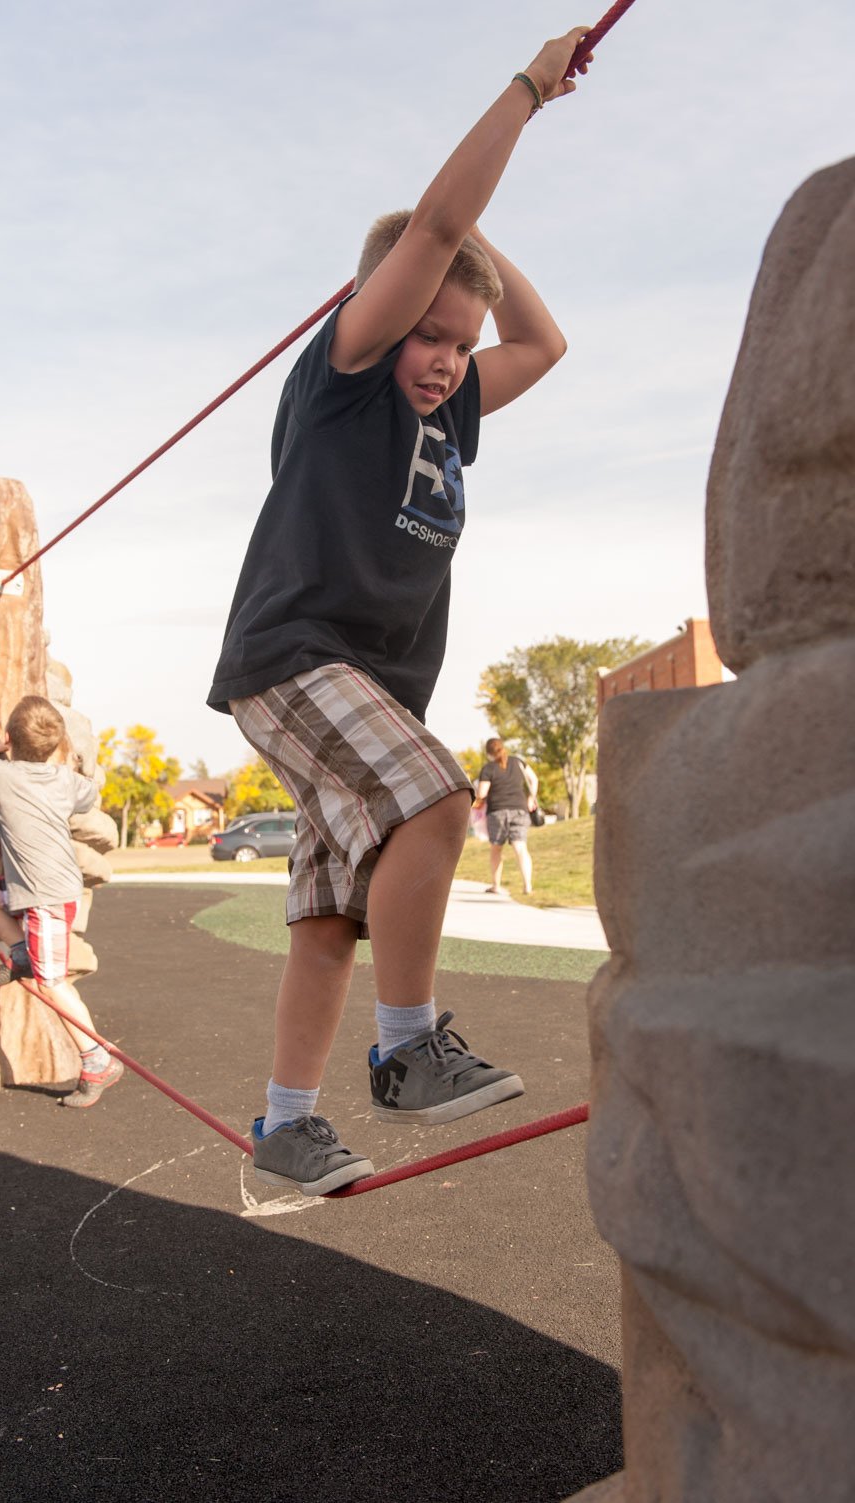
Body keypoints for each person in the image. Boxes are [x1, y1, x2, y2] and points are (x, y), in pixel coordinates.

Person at [207, 27, 593, 1195]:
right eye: (428, 332)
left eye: (454, 343)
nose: (441, 359)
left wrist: (481, 257)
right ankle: (409, 1046)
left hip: (361, 685)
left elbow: (545, 341)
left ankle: (282, 1130)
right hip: (294, 655)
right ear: (382, 314)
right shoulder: (350, 372)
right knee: (433, 793)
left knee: (330, 918)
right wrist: (528, 92)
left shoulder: (450, 410)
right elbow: (428, 236)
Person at [0, 695, 124, 1108]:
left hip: (47, 899)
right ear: (55, 746)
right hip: (32, 890)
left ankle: (96, 1059)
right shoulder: (64, 780)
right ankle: (21, 952)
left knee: (52, 984)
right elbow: (88, 796)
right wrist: (68, 764)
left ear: (10, 742)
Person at [474, 737, 540, 896]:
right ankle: (527, 886)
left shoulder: (488, 768)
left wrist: (477, 797)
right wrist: (531, 798)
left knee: (496, 848)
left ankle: (496, 885)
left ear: (488, 753)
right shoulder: (518, 762)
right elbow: (534, 779)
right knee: (520, 847)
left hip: (498, 812)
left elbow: (482, 793)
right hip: (520, 809)